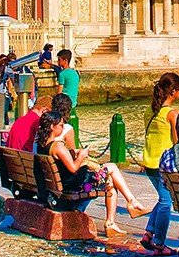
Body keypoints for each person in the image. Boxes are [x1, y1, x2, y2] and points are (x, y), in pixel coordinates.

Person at [40, 95, 146, 238]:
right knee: (111, 172)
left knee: (109, 179)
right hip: (78, 186)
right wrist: (82, 155)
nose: (63, 127)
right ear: (52, 127)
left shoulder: (43, 144)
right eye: (60, 125)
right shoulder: (57, 146)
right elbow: (73, 168)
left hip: (61, 184)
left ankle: (124, 210)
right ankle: (125, 209)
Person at [139, 72, 179, 256]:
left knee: (162, 199)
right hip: (164, 164)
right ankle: (159, 244)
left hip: (149, 160)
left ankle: (149, 233)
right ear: (173, 92)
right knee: (166, 202)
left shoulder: (150, 111)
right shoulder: (171, 114)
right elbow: (176, 141)